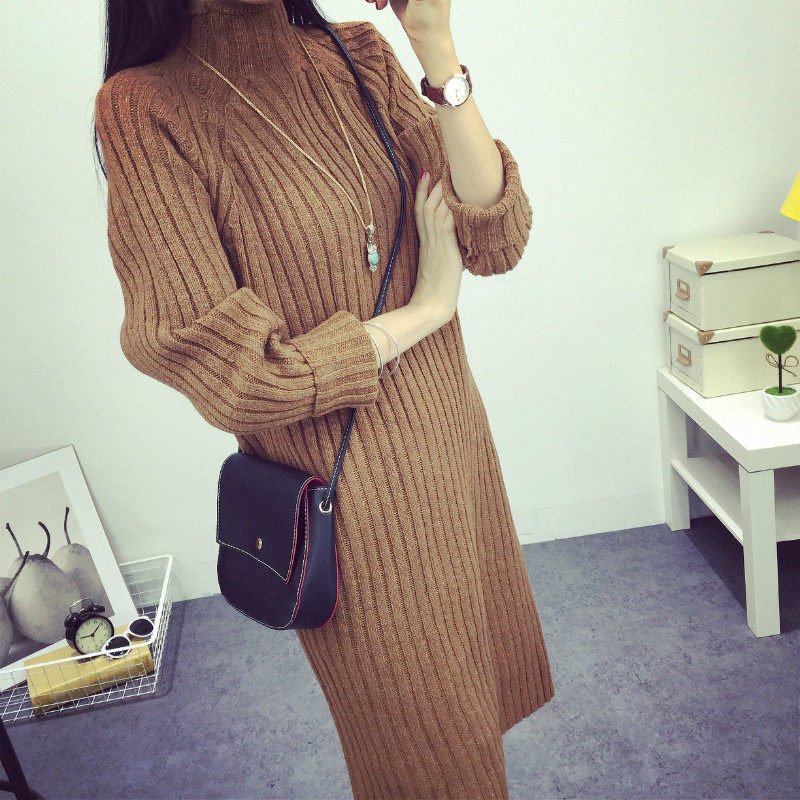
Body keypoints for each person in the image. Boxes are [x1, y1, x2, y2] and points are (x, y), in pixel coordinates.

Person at [93, 0, 555, 797]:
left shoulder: (358, 54)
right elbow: (238, 375)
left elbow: (494, 237)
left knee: (473, 725)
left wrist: (436, 45)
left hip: (452, 448)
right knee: (428, 761)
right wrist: (423, 312)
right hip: (354, 505)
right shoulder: (145, 106)